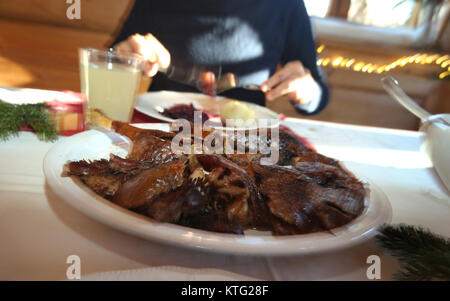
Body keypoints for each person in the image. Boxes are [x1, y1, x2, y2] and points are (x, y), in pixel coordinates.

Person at [113, 0, 329, 115]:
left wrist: (307, 92)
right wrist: (125, 55)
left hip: (243, 142)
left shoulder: (285, 4)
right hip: (161, 128)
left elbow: (318, 96)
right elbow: (116, 55)